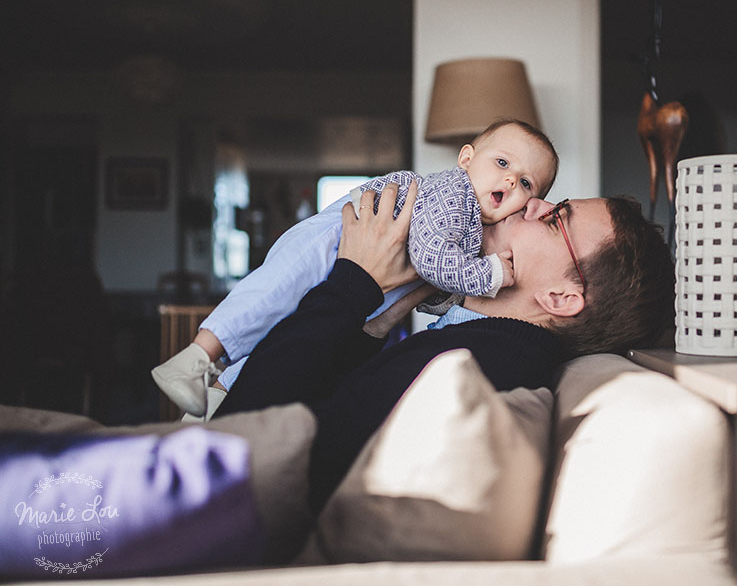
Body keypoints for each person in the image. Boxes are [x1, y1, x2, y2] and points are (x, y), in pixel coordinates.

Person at [214, 181, 675, 509]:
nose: (534, 203)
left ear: (561, 298)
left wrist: (351, 284)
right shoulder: (489, 346)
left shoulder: (463, 369)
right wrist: (370, 328)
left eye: (556, 220)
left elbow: (243, 438)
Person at [152, 120, 559, 417]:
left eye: (526, 184)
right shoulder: (457, 195)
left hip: (364, 272)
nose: (510, 180)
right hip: (339, 237)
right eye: (502, 162)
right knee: (277, 291)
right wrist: (489, 275)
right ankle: (196, 357)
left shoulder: (473, 224)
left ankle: (219, 394)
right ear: (466, 158)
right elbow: (434, 260)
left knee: (284, 327)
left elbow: (432, 283)